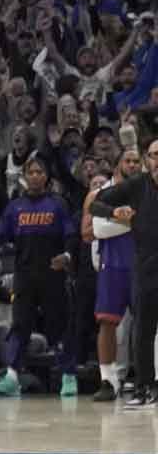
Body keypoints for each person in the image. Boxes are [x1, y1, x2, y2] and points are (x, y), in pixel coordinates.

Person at [0, 158, 81, 398]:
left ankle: (68, 376)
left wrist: (67, 255)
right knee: (19, 325)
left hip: (53, 274)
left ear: (46, 177)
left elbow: (70, 235)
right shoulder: (15, 206)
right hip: (24, 275)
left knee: (58, 327)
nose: (36, 175)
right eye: (32, 172)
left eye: (40, 171)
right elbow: (0, 234)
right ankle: (12, 378)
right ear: (25, 176)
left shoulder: (57, 204)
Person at [91, 139, 158, 407]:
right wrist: (114, 211)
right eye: (154, 155)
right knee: (143, 330)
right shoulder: (136, 185)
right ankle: (144, 388)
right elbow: (96, 204)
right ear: (147, 160)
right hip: (145, 267)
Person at [84, 149, 141, 402]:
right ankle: (108, 380)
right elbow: (96, 230)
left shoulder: (149, 190)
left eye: (137, 161)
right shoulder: (103, 193)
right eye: (127, 161)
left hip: (144, 264)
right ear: (118, 166)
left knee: (150, 324)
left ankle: (150, 379)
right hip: (113, 264)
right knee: (107, 323)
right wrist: (135, 223)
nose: (132, 164)